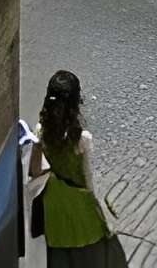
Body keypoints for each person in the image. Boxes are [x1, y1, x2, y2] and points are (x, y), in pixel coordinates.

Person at [27, 69, 127, 266]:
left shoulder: (40, 132)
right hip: (82, 215)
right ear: (76, 103)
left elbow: (35, 172)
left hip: (54, 213)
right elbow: (90, 184)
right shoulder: (83, 140)